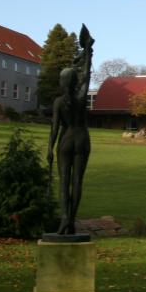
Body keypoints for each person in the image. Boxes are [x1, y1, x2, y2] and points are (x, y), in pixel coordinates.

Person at [47, 25, 94, 235]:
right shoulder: (81, 98)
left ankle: (64, 218)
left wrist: (49, 149)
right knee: (77, 182)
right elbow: (87, 75)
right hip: (82, 139)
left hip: (65, 141)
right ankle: (72, 221)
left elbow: (54, 129)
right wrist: (88, 54)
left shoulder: (59, 102)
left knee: (64, 182)